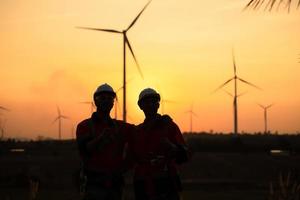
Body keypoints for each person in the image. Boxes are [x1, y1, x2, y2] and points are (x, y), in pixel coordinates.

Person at [76, 83, 135, 200]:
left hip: (115, 185)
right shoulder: (85, 126)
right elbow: (85, 149)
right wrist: (101, 138)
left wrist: (160, 119)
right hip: (94, 185)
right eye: (102, 98)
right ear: (95, 101)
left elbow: (142, 132)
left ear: (113, 102)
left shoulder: (121, 127)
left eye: (110, 98)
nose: (107, 101)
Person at [133, 88, 190, 200]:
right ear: (140, 106)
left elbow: (184, 155)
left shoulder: (169, 126)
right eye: (147, 102)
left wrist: (173, 148)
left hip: (167, 182)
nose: (150, 105)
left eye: (154, 102)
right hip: (143, 183)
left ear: (158, 105)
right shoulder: (137, 131)